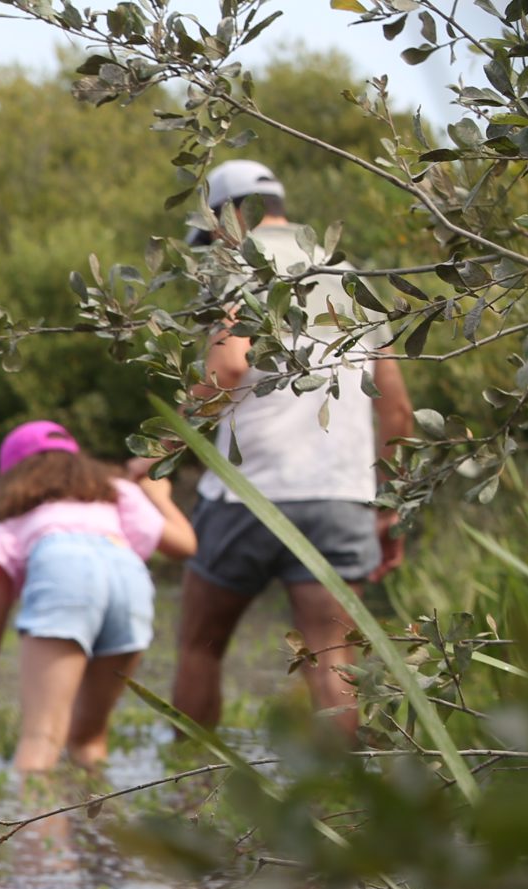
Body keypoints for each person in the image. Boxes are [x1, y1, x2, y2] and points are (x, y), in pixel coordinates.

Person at [172, 159, 412, 733]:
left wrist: (169, 437)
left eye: (209, 236)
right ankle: (342, 808)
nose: (210, 250)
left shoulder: (238, 267)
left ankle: (188, 799)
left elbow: (228, 368)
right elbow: (397, 408)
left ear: (229, 215)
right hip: (340, 498)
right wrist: (391, 507)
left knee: (200, 647)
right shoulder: (349, 277)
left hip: (247, 500)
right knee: (331, 656)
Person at [0, 420, 194, 770]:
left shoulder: (13, 523)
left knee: (41, 739)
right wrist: (159, 498)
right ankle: (95, 825)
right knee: (89, 739)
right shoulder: (118, 492)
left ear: (11, 476)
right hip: (129, 580)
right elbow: (185, 545)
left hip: (62, 571)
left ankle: (37, 823)